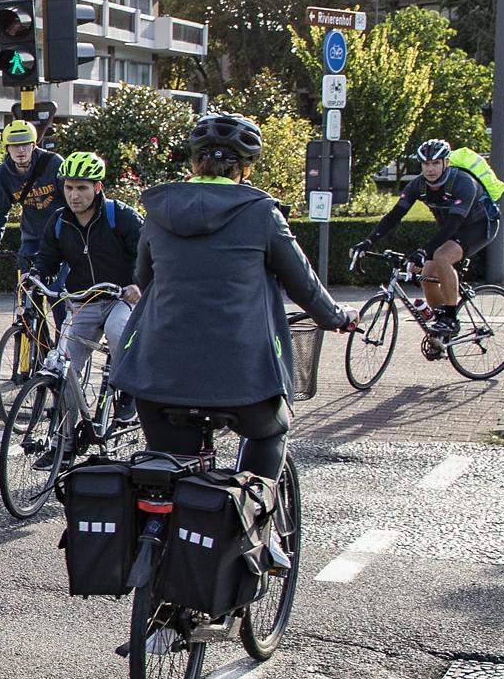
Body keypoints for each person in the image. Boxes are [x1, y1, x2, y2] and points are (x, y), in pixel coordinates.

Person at [110, 114, 354, 481]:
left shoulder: (159, 211)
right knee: (270, 432)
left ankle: (157, 533)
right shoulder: (260, 212)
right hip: (243, 377)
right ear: (245, 168)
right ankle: (258, 514)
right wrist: (337, 317)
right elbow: (302, 284)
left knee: (167, 471)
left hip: (157, 374)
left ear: (194, 163)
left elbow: (143, 278)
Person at [358, 138, 504, 342]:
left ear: (446, 163)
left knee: (441, 257)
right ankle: (440, 324)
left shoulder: (463, 182)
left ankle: (451, 319)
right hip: (452, 230)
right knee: (427, 275)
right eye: (426, 164)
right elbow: (394, 215)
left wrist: (423, 252)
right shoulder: (418, 185)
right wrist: (367, 242)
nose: (430, 169)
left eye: (435, 163)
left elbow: (454, 224)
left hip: (479, 227)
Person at [25, 151, 142, 404]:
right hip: (83, 301)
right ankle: (65, 438)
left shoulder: (120, 216)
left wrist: (138, 284)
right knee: (61, 369)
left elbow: (149, 255)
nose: (74, 195)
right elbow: (48, 258)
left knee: (118, 330)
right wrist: (35, 276)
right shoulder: (58, 221)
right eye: (68, 187)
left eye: (82, 188)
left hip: (120, 297)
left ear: (97, 187)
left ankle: (129, 395)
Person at [0, 118, 63, 270]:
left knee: (58, 289)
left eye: (25, 144)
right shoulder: (3, 173)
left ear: (33, 145)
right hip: (32, 239)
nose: (20, 150)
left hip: (61, 236)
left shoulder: (53, 163)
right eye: (14, 145)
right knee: (26, 283)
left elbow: (73, 199)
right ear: (7, 148)